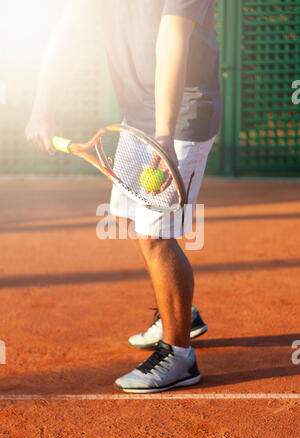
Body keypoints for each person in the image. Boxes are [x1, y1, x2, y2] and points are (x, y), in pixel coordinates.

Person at [26, 0, 222, 393]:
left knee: (155, 235)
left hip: (182, 116)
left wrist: (164, 136)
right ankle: (183, 314)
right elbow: (66, 31)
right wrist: (42, 108)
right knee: (131, 220)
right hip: (136, 117)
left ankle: (180, 353)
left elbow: (172, 37)